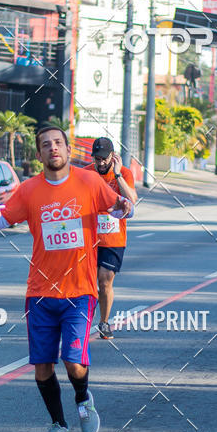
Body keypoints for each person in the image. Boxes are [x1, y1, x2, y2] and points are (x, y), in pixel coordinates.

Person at [0, 125, 133, 432]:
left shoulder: (89, 182)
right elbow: (2, 221)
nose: (53, 148)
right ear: (39, 154)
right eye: (46, 145)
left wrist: (125, 207)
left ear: (67, 148)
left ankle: (82, 397)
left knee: (73, 362)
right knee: (42, 367)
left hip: (80, 291)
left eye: (58, 143)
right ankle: (58, 425)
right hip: (39, 293)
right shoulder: (29, 190)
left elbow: (121, 206)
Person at [85, 137, 137, 339]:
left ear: (112, 157)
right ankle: (83, 321)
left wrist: (117, 174)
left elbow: (132, 200)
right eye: (96, 158)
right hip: (89, 237)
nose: (100, 163)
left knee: (104, 281)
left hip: (114, 239)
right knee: (87, 282)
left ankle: (104, 322)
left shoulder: (124, 173)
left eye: (103, 158)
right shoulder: (87, 173)